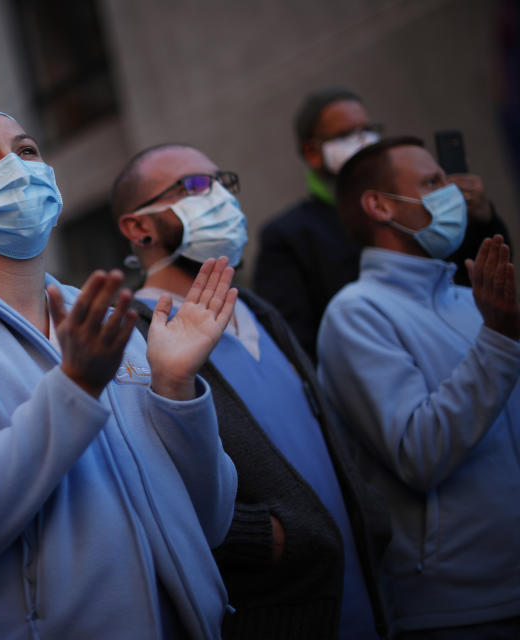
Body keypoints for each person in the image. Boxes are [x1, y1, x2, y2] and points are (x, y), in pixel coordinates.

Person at [0, 108, 239, 639]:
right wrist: (74, 389)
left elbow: (211, 522)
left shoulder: (105, 314)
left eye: (26, 151)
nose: (16, 168)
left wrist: (176, 389)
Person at [111, 143, 390, 639]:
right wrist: (259, 541)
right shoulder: (127, 338)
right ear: (139, 228)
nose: (217, 197)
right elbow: (148, 491)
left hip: (370, 608)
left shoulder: (263, 315)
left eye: (222, 182)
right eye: (195, 187)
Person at [317, 137, 520, 638]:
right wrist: (497, 338)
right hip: (460, 608)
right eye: (432, 183)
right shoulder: (356, 313)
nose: (451, 192)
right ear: (380, 205)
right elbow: (419, 451)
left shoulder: (468, 298)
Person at [254, 87, 510, 361]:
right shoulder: (289, 236)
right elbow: (296, 343)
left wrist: (483, 221)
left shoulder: (408, 205)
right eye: (346, 134)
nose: (364, 140)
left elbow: (470, 277)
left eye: (369, 128)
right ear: (313, 152)